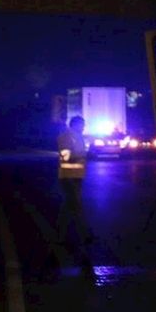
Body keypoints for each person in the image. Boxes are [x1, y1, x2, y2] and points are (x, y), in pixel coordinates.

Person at [56, 115, 93, 273]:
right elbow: (65, 156)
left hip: (77, 176)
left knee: (69, 206)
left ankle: (60, 233)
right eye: (81, 125)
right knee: (76, 205)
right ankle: (83, 235)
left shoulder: (79, 137)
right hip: (68, 177)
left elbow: (80, 154)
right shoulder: (65, 137)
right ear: (75, 125)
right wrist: (82, 156)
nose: (83, 127)